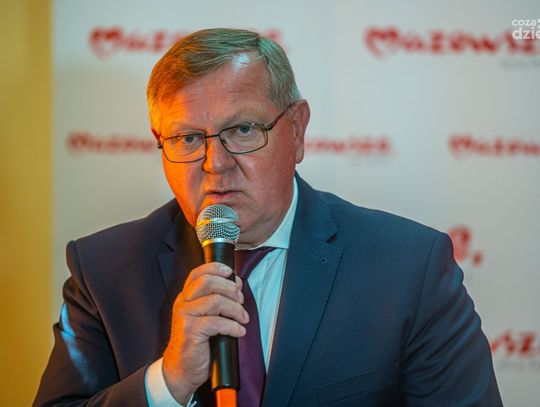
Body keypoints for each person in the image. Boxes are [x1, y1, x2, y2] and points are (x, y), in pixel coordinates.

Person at [35, 28, 502, 406]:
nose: (215, 164)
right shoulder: (103, 271)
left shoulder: (408, 268)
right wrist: (167, 383)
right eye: (188, 139)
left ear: (297, 131)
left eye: (242, 129)